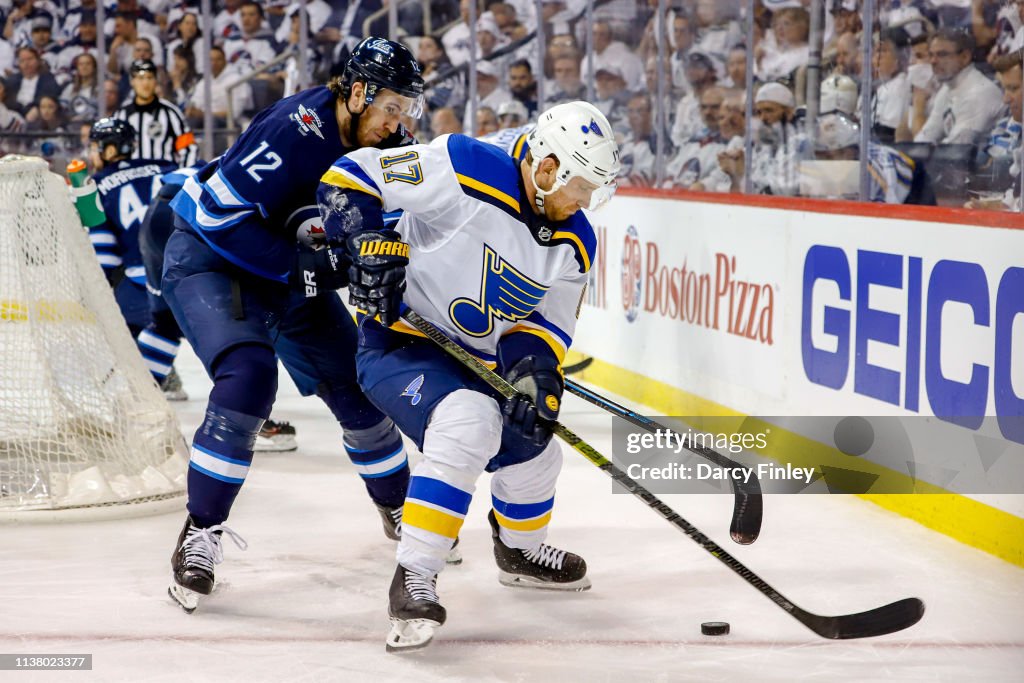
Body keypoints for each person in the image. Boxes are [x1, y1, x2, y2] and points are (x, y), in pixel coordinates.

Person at [315, 100, 620, 651]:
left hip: (478, 361)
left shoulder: (577, 243)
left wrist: (534, 372)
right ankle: (414, 574)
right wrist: (361, 240)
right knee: (469, 418)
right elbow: (350, 175)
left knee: (536, 441)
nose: (587, 201)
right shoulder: (464, 167)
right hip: (402, 341)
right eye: (581, 186)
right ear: (547, 168)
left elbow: (546, 323)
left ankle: (519, 551)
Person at [162, 37, 431, 614]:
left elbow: (410, 218)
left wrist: (380, 257)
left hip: (291, 271)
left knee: (359, 392)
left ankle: (401, 510)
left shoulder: (393, 144)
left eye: (406, 110)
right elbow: (217, 218)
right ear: (356, 94)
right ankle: (201, 530)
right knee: (250, 379)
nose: (397, 123)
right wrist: (316, 270)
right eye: (390, 107)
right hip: (213, 261)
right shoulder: (294, 129)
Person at [78, 118, 178, 345]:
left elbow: (105, 255)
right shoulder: (166, 166)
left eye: (93, 148)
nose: (91, 154)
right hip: (194, 268)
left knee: (123, 338)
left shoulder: (95, 186)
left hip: (145, 280)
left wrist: (92, 291)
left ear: (109, 150)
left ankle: (150, 376)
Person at [113, 59, 198, 165]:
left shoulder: (171, 113)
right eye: (140, 78)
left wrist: (180, 176)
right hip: (131, 178)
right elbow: (113, 154)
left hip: (164, 178)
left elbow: (188, 148)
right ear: (132, 81)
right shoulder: (121, 116)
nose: (145, 83)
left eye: (149, 77)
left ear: (155, 81)